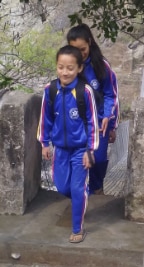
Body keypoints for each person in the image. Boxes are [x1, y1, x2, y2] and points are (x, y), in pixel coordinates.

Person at [37, 45, 99, 243]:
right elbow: (45, 118)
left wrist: (90, 150)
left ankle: (77, 229)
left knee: (77, 188)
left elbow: (92, 122)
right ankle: (81, 197)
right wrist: (44, 143)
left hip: (80, 149)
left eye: (70, 68)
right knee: (62, 187)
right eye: (61, 67)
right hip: (60, 149)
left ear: (79, 68)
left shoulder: (85, 92)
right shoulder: (51, 90)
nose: (65, 72)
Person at [67, 23, 120, 195]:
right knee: (76, 161)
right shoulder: (68, 66)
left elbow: (111, 95)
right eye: (74, 49)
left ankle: (96, 187)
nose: (79, 54)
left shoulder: (101, 66)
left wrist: (110, 121)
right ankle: (81, 197)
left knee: (96, 159)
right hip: (76, 123)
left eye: (82, 49)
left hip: (99, 124)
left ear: (89, 42)